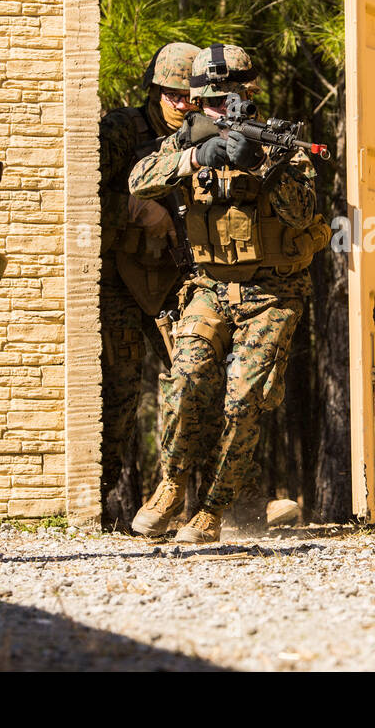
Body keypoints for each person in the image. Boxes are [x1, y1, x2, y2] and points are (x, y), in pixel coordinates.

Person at [127, 44, 329, 543]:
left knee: (243, 400)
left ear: (249, 94)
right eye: (211, 101)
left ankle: (213, 510)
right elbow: (138, 180)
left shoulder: (280, 144)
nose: (222, 109)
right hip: (209, 287)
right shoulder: (186, 140)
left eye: (230, 99)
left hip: (272, 292)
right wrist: (198, 155)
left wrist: (268, 167)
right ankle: (171, 487)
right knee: (186, 382)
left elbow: (305, 216)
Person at [97, 42, 197, 530]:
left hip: (177, 281)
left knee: (193, 384)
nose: (184, 104)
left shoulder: (209, 135)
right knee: (116, 395)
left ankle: (191, 504)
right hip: (119, 280)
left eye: (192, 96)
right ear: (156, 91)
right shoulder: (121, 131)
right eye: (174, 94)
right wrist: (138, 210)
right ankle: (97, 506)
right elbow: (78, 200)